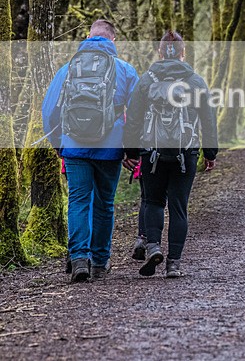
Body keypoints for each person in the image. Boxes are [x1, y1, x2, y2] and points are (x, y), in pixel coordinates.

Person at [42, 19, 139, 282]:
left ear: (88, 37)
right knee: (104, 204)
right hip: (110, 149)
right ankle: (99, 261)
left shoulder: (68, 69)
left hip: (74, 147)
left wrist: (59, 145)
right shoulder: (125, 70)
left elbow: (49, 111)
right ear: (114, 40)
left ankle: (78, 259)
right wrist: (132, 151)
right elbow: (138, 114)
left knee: (78, 201)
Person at [123, 30, 218, 278]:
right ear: (183, 53)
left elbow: (133, 118)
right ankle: (174, 263)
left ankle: (154, 246)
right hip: (185, 153)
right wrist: (210, 152)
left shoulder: (147, 80)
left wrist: (131, 152)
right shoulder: (195, 81)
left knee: (153, 201)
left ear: (160, 52)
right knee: (178, 207)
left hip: (152, 152)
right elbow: (208, 119)